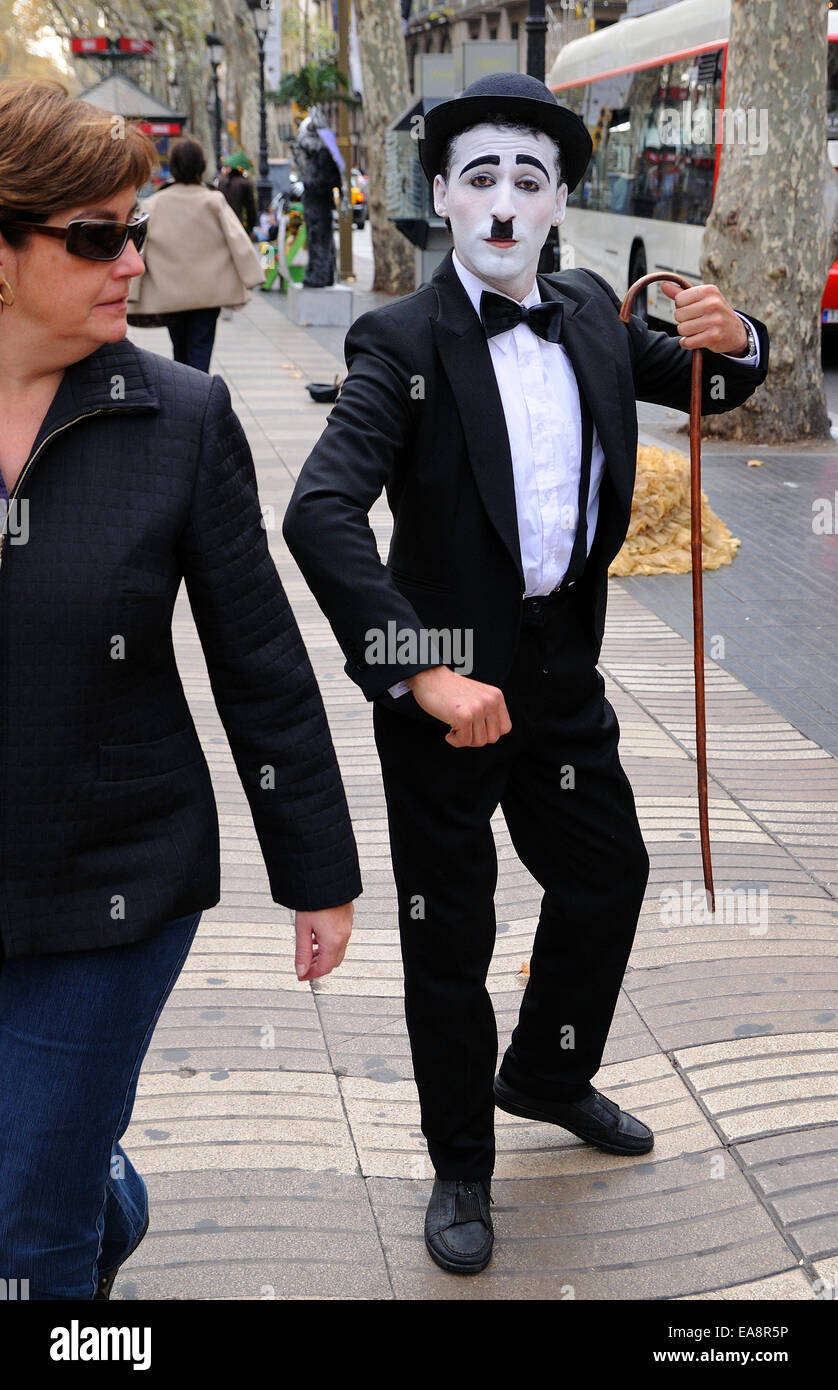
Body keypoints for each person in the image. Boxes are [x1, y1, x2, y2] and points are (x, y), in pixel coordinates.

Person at [282, 72, 769, 1275]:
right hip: (446, 694)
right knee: (448, 932)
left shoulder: (592, 308)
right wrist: (417, 670)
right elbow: (320, 514)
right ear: (444, 196)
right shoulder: (397, 339)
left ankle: (546, 1070)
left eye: (530, 180)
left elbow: (710, 379)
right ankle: (460, 1162)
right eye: (481, 178)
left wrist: (737, 335)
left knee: (607, 875)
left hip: (559, 672)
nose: (504, 204)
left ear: (560, 202)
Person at [0, 78, 360, 1300]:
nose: (130, 262)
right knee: (40, 1169)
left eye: (135, 231)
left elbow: (259, 662)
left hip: (113, 887)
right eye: (93, 237)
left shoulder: (183, 419)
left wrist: (319, 876)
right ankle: (99, 1177)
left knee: (23, 1236)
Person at [126, 135, 264, 372]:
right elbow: (238, 239)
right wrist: (252, 276)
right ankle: (201, 396)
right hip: (208, 293)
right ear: (201, 165)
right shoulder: (213, 200)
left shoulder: (154, 204)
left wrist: (133, 290)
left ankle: (185, 395)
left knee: (179, 349)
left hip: (170, 292)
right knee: (201, 347)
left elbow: (139, 248)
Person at [218, 151, 259, 236]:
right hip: (238, 224)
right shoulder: (245, 183)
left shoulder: (221, 182)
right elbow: (250, 208)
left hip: (222, 223)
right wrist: (251, 227)